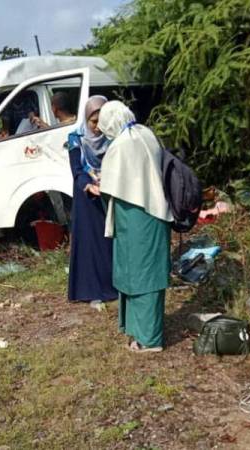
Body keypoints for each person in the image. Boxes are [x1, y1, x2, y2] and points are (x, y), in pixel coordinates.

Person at [98, 101, 174, 352]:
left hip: (134, 218)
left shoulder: (120, 145)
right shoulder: (145, 133)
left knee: (140, 277)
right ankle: (139, 329)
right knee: (144, 273)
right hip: (153, 213)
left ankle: (148, 339)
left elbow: (108, 189)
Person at [67, 95, 118, 303]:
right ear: (86, 118)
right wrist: (88, 185)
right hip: (87, 196)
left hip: (109, 192)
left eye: (101, 122)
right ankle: (90, 290)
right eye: (93, 122)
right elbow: (77, 170)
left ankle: (114, 285)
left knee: (109, 241)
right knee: (90, 242)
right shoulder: (75, 138)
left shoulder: (113, 138)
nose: (97, 127)